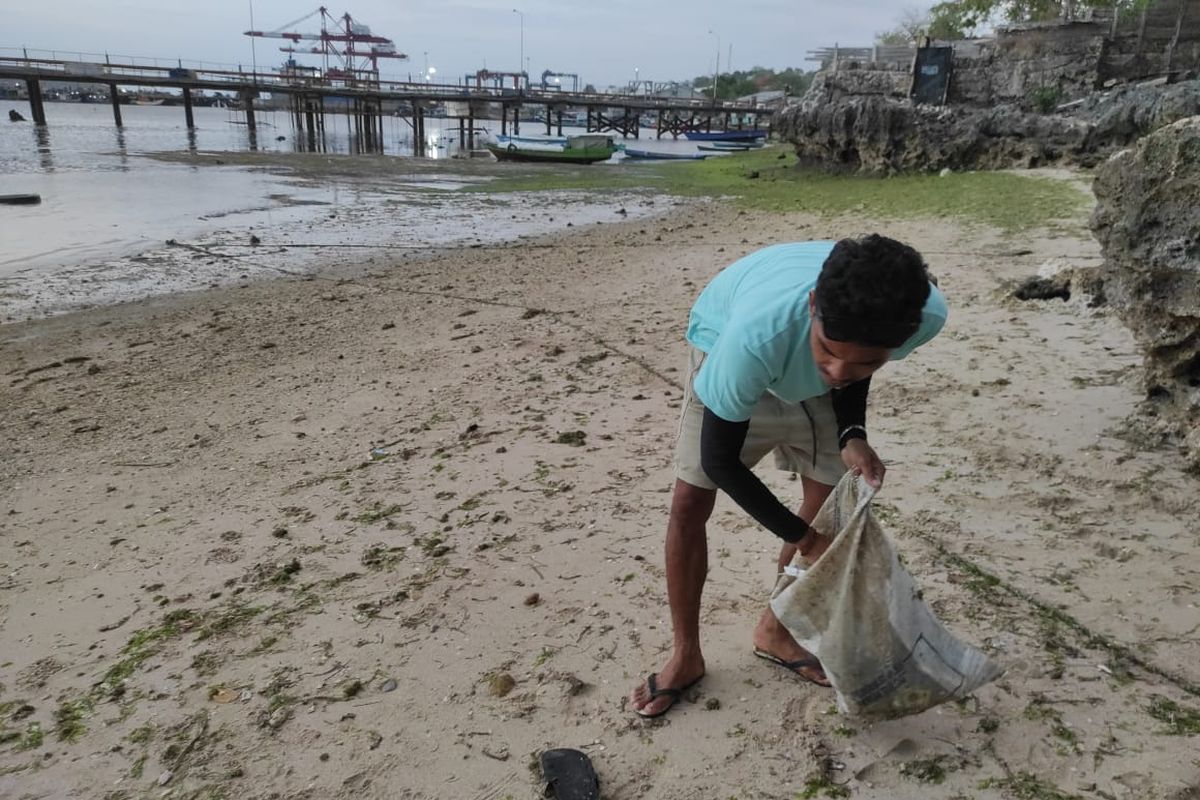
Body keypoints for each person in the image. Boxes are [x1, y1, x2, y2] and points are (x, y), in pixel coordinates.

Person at [629, 234, 948, 718]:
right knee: (690, 504)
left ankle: (774, 630)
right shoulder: (752, 338)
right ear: (814, 304)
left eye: (866, 361)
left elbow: (848, 365)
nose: (838, 371)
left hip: (805, 348)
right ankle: (686, 655)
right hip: (739, 352)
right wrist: (803, 538)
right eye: (828, 350)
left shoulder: (921, 317)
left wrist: (852, 433)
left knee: (824, 507)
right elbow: (720, 461)